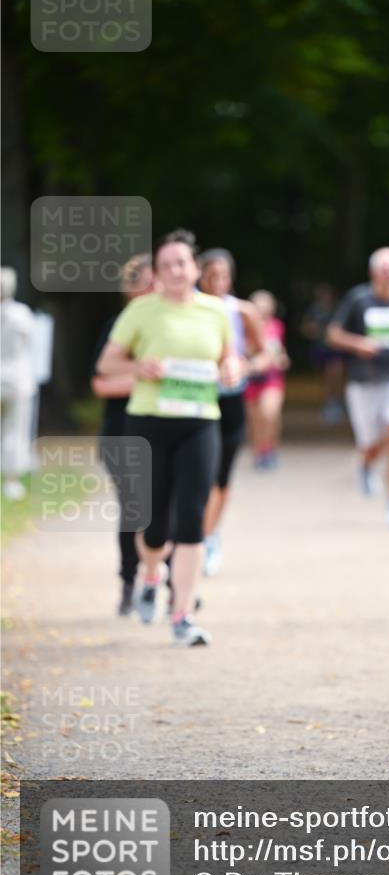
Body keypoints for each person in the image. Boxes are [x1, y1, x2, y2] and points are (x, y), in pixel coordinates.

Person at [96, 229, 238, 647]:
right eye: (166, 265)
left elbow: (230, 359)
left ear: (194, 268)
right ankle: (152, 573)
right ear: (156, 274)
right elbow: (107, 363)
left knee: (191, 518)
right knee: (154, 524)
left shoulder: (215, 312)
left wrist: (233, 370)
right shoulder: (142, 311)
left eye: (182, 263)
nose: (175, 270)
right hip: (149, 423)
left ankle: (181, 615)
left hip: (200, 423)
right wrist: (140, 366)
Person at [327, 247, 389, 529]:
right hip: (364, 381)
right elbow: (333, 334)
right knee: (371, 443)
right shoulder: (359, 298)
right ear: (374, 272)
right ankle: (366, 464)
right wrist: (358, 344)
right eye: (385, 269)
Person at [90, 254, 156, 615]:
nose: (152, 289)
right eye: (145, 283)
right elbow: (100, 383)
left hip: (164, 427)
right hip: (122, 431)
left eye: (154, 282)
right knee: (134, 508)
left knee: (165, 506)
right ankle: (129, 582)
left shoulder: (170, 325)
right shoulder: (118, 327)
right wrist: (145, 380)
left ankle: (166, 577)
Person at [197, 248, 268, 575]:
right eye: (210, 274)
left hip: (229, 398)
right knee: (198, 471)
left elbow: (267, 355)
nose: (216, 281)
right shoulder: (188, 307)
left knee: (221, 474)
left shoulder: (242, 311)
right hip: (195, 399)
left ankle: (209, 535)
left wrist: (245, 366)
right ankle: (193, 535)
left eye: (222, 275)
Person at [0, 267, 36, 500]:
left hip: (11, 376)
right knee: (15, 429)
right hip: (16, 377)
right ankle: (11, 480)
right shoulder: (21, 313)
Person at [244, 290, 289, 469]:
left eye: (266, 306)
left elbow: (279, 349)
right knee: (255, 420)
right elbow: (245, 352)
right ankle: (259, 452)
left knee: (269, 414)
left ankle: (270, 449)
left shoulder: (277, 325)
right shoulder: (245, 327)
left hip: (272, 377)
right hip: (252, 377)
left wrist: (283, 358)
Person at [300, 283, 346, 425]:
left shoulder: (339, 308)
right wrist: (314, 329)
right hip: (320, 347)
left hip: (336, 348)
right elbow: (305, 327)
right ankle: (329, 404)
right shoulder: (314, 310)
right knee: (326, 377)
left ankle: (337, 403)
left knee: (336, 374)